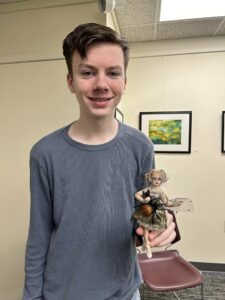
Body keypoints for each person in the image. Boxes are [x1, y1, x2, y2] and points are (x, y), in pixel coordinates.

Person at [22, 23, 179, 300]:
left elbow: (147, 209)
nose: (101, 84)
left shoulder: (140, 145)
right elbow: (39, 236)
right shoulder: (44, 153)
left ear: (125, 81)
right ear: (71, 81)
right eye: (87, 72)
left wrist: (160, 225)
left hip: (123, 291)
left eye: (113, 73)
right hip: (63, 293)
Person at [133, 169, 182, 258]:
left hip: (157, 210)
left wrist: (175, 203)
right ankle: (146, 244)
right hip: (148, 209)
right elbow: (136, 194)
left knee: (156, 227)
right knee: (145, 227)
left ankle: (147, 243)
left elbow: (166, 203)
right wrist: (143, 200)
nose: (156, 181)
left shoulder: (160, 192)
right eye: (154, 178)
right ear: (150, 179)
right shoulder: (147, 190)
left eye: (159, 179)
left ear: (162, 180)